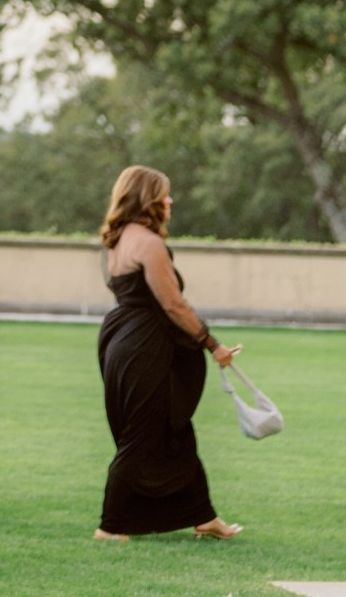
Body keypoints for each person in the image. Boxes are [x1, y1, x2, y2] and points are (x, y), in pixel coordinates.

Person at [96, 165, 241, 543]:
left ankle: (204, 517)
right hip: (145, 346)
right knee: (142, 434)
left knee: (175, 431)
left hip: (122, 337)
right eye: (164, 193)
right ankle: (110, 526)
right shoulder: (148, 242)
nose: (170, 200)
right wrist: (213, 344)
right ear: (147, 199)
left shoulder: (118, 239)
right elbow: (173, 304)